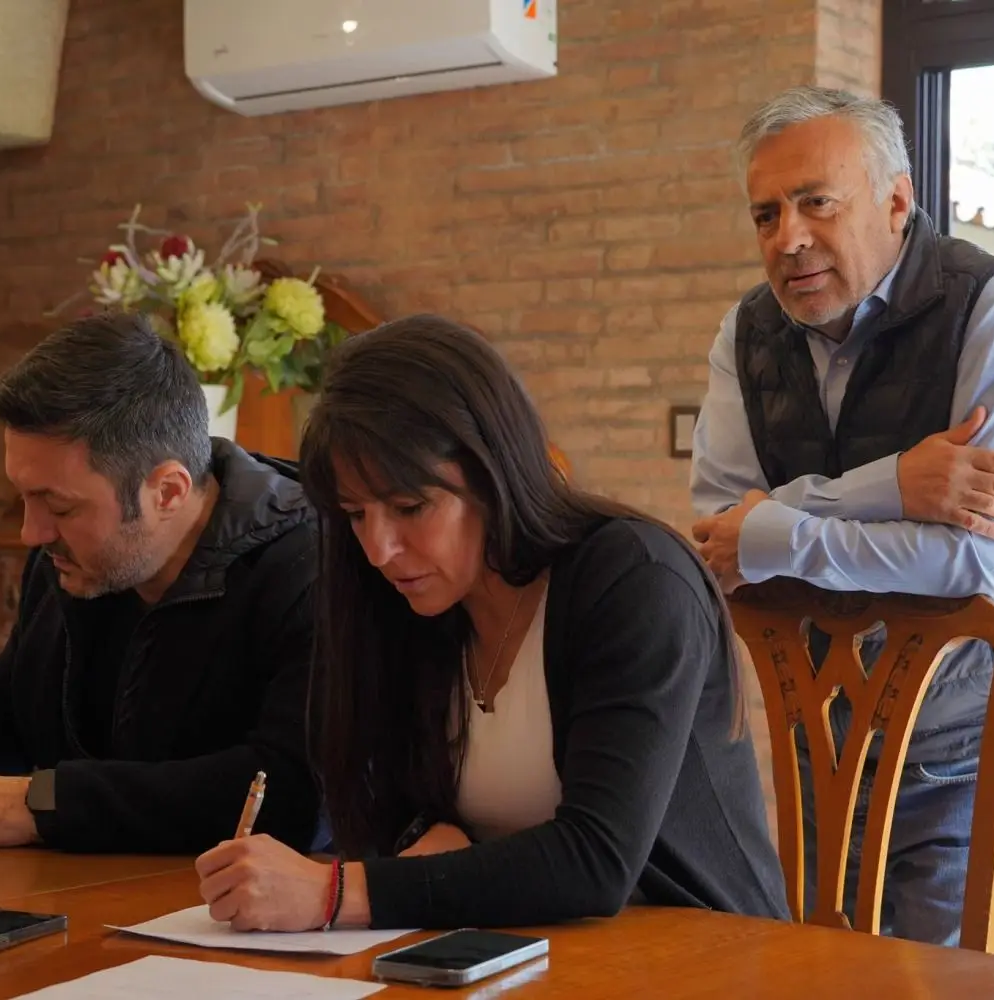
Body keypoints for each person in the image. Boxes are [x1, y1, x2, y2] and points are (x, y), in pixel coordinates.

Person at [192, 315, 789, 932]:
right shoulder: (414, 602)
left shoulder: (635, 579)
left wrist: (336, 893)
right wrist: (427, 835)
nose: (378, 550)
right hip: (512, 952)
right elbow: (377, 808)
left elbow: (596, 860)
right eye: (356, 515)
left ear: (492, 470)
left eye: (409, 507)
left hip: (701, 951)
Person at [689, 85, 994, 957]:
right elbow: (719, 535)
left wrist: (780, 533)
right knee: (827, 981)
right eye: (765, 214)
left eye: (816, 202)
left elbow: (989, 564)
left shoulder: (992, 306)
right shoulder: (745, 332)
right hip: (822, 737)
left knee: (944, 989)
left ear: (897, 200)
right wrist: (894, 487)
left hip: (971, 738)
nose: (787, 238)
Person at [0, 312, 321, 855]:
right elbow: (9, 701)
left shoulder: (308, 568)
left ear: (167, 492)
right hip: (76, 888)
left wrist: (41, 803)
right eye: (25, 497)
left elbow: (292, 791)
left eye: (58, 506)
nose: (31, 533)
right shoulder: (72, 558)